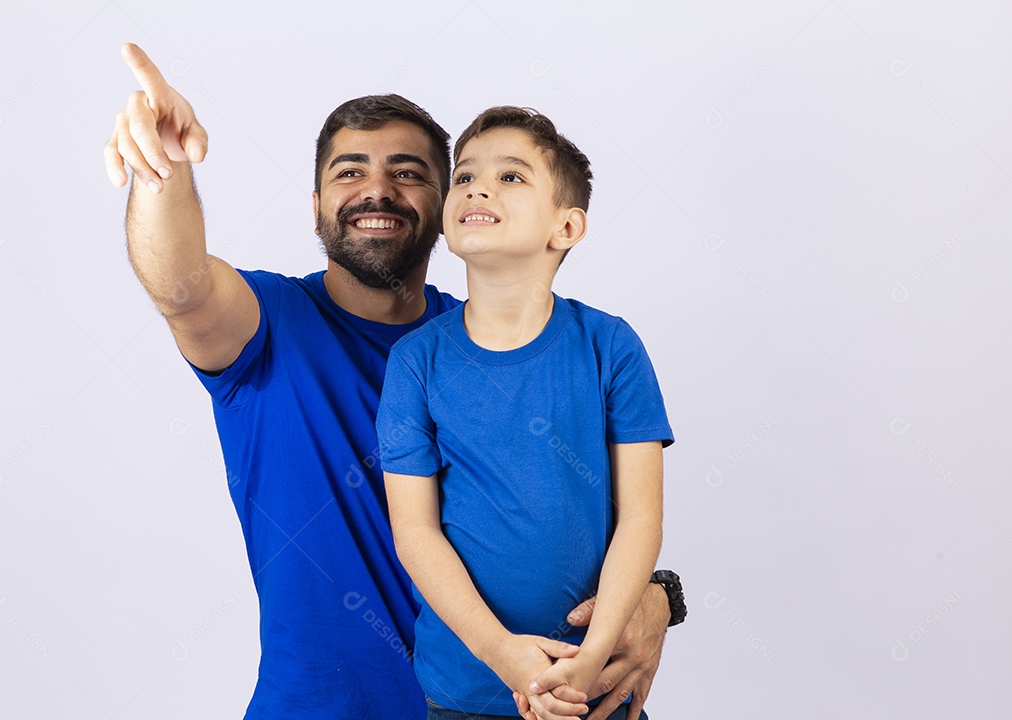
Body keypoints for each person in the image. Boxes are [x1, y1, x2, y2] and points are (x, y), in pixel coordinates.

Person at [103, 43, 677, 720]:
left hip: (528, 700)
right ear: (317, 203)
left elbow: (593, 514)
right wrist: (160, 172)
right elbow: (180, 285)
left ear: (441, 207)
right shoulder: (266, 327)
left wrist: (656, 594)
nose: (377, 190)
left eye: (408, 173)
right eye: (350, 171)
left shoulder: (524, 344)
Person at [377, 107, 674, 720]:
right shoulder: (415, 363)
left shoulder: (610, 346)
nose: (477, 187)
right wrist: (504, 655)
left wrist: (590, 660)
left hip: (594, 686)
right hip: (463, 690)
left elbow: (641, 516)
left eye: (511, 177)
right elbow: (415, 532)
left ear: (566, 227)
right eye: (464, 177)